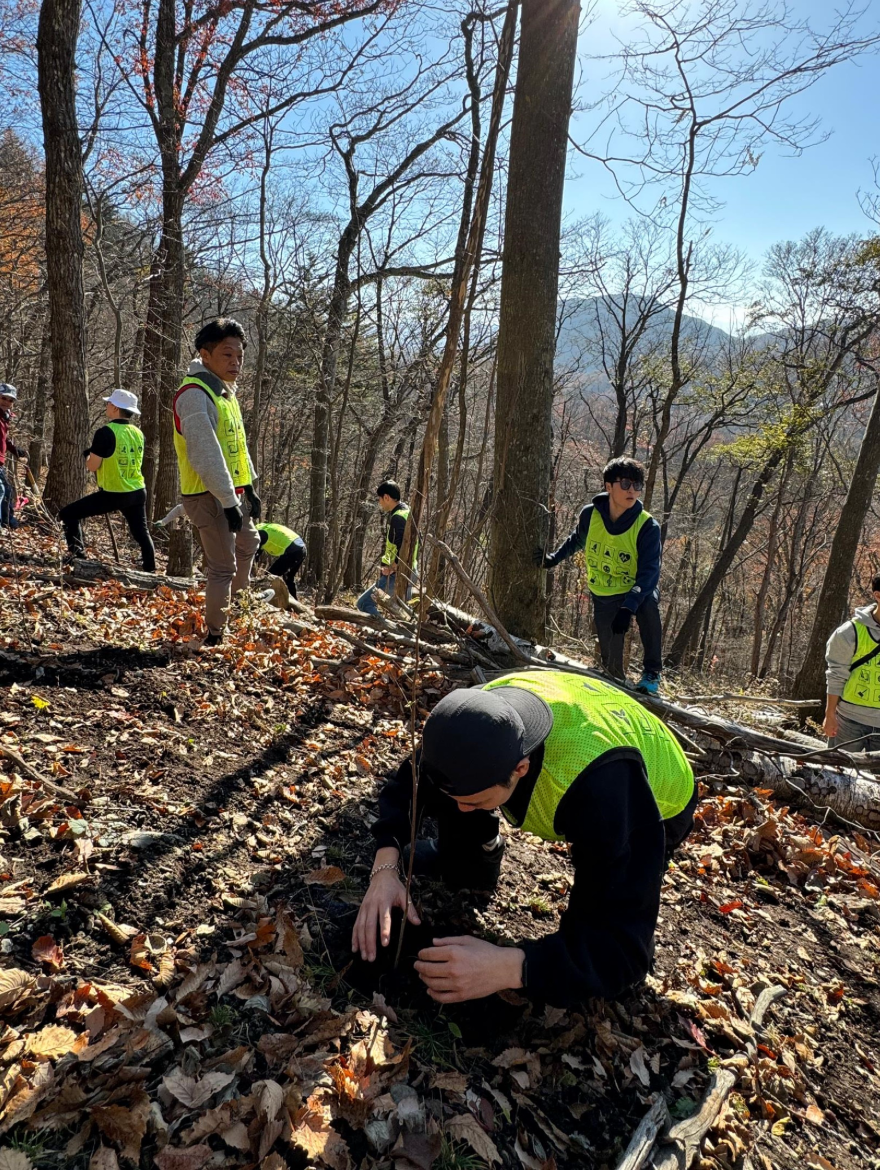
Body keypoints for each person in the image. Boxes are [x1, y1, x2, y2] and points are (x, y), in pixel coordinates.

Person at [352, 670, 696, 1007]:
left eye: (475, 802)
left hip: (657, 794)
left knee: (609, 941)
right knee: (459, 790)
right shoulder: (474, 719)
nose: (460, 810)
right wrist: (385, 869)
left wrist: (512, 967)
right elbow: (408, 787)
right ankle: (471, 861)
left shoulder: (604, 791)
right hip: (580, 719)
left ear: (521, 768)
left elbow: (620, 950)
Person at [536, 457, 663, 694]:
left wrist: (628, 607)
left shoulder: (647, 526)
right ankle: (617, 686)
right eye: (625, 484)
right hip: (604, 591)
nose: (632, 491)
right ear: (608, 486)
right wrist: (553, 558)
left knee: (649, 607)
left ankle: (651, 674)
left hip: (636, 588)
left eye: (637, 485)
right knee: (611, 663)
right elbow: (577, 540)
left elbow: (649, 572)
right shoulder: (590, 515)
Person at [172, 317, 261, 646]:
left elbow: (237, 444)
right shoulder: (195, 396)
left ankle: (238, 608)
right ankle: (215, 634)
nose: (235, 362)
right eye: (227, 355)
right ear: (204, 355)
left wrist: (249, 486)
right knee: (222, 567)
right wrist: (228, 501)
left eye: (239, 356)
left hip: (233, 492)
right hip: (208, 496)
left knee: (249, 542)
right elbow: (205, 455)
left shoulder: (225, 392)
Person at [58, 389, 156, 570]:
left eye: (109, 403)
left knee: (68, 514)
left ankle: (77, 557)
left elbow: (92, 466)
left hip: (114, 492)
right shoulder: (138, 432)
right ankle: (151, 570)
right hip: (137, 491)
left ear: (115, 407)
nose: (107, 406)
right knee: (142, 534)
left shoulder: (105, 432)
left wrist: (87, 455)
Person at [823, 575, 880, 751]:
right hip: (849, 720)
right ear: (878, 595)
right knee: (836, 775)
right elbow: (836, 675)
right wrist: (830, 714)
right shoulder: (850, 632)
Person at [356, 480, 418, 615]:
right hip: (409, 570)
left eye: (380, 498)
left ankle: (378, 631)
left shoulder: (398, 517)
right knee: (401, 613)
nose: (379, 502)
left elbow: (403, 545)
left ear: (386, 497)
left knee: (364, 603)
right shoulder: (406, 511)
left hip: (399, 573)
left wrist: (393, 567)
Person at [0, 383, 28, 529]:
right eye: (3, 398)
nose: (6, 402)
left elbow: (5, 439)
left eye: (10, 400)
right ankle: (4, 524)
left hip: (0, 463)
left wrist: (15, 450)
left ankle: (7, 522)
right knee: (2, 491)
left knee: (7, 491)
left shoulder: (5, 418)